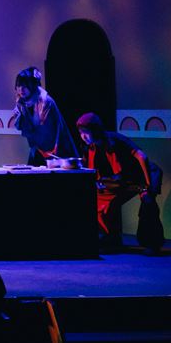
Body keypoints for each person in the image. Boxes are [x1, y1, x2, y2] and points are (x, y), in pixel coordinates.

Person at [76, 113, 161, 252]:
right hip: (125, 179)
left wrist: (147, 185)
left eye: (85, 132)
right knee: (100, 202)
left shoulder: (115, 139)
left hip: (145, 174)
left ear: (95, 130)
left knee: (148, 202)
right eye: (81, 133)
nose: (83, 136)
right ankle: (112, 238)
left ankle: (152, 243)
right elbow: (92, 167)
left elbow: (142, 157)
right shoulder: (92, 147)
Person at [12, 67, 78, 166]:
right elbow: (20, 126)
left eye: (25, 85)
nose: (21, 89)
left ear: (32, 85)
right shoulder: (22, 102)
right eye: (19, 85)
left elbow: (50, 131)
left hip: (56, 149)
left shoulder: (45, 101)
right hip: (38, 148)